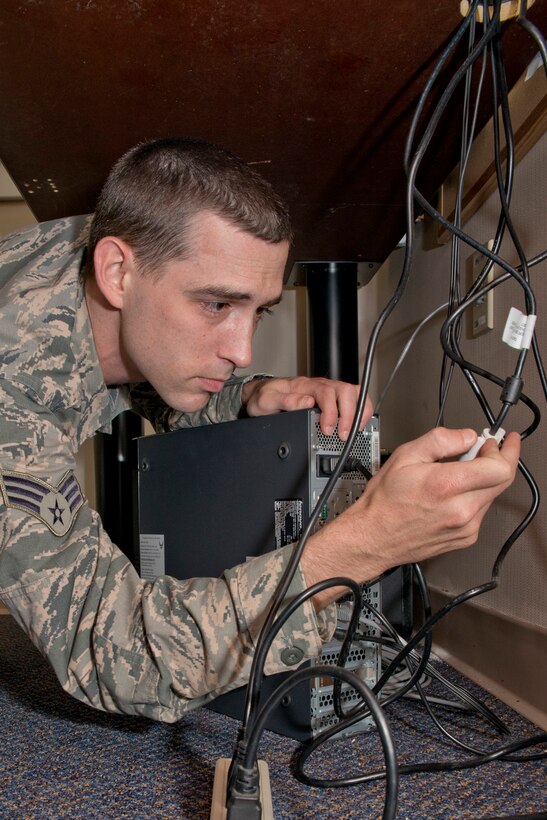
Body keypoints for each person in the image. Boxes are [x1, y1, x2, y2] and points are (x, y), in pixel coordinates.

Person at [0, 137, 520, 722]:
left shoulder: (119, 243)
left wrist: (247, 397)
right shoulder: (12, 388)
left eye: (260, 309)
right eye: (218, 305)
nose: (243, 351)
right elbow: (120, 660)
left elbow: (140, 350)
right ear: (116, 270)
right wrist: (363, 547)